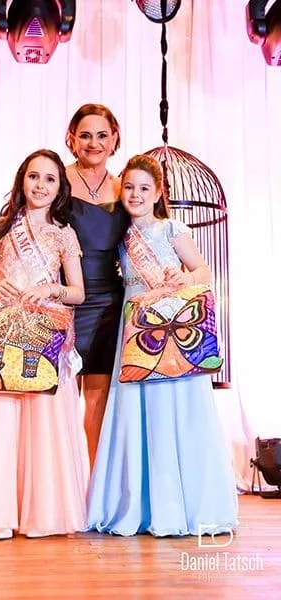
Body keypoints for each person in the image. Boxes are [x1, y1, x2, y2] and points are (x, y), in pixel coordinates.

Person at [87, 154, 238, 536]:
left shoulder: (171, 228)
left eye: (144, 188)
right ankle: (139, 507)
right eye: (129, 187)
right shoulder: (120, 236)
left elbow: (203, 270)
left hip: (172, 329)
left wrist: (183, 278)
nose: (135, 195)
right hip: (136, 331)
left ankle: (183, 507)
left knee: (176, 411)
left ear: (158, 193)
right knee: (136, 416)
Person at [0, 149, 89, 540]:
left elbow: (78, 292)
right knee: (2, 420)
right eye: (33, 176)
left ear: (60, 188)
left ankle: (41, 514)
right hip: (6, 333)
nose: (40, 185)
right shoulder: (4, 227)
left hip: (45, 334)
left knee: (44, 421)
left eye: (49, 179)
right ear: (22, 180)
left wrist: (52, 289)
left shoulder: (64, 233)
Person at [65, 103, 129, 468]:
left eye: (102, 135)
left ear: (114, 139)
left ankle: (94, 485)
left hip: (107, 302)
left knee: (98, 396)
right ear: (72, 139)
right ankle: (62, 486)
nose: (94, 143)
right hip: (64, 299)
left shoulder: (125, 187)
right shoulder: (56, 180)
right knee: (60, 396)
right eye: (86, 135)